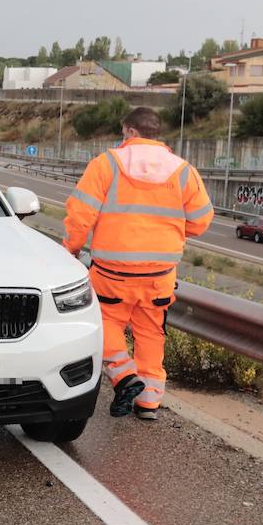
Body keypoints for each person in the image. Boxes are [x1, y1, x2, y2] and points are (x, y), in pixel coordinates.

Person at [63, 106, 214, 421]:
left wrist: (72, 250)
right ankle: (148, 403)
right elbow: (201, 221)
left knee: (105, 324)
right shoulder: (183, 170)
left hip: (112, 272)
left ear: (129, 131)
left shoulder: (107, 164)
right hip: (159, 274)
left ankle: (125, 376)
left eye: (123, 133)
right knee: (150, 333)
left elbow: (81, 214)